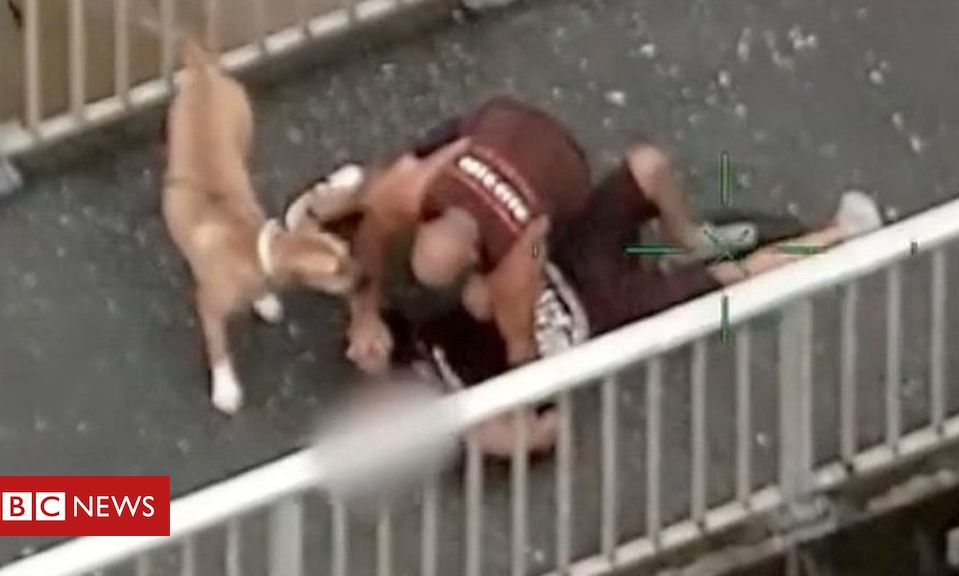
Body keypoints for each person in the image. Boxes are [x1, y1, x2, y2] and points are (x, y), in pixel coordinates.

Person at [287, 99, 883, 456]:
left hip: (560, 259)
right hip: (598, 310)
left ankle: (688, 235)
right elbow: (546, 426)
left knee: (647, 170)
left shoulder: (466, 300)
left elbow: (512, 336)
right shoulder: (454, 425)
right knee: (729, 284)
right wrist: (494, 432)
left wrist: (485, 315)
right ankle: (836, 236)